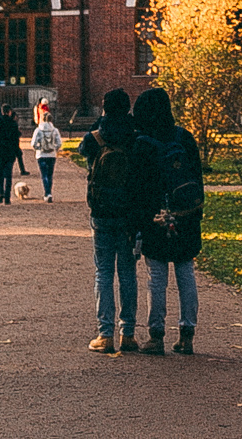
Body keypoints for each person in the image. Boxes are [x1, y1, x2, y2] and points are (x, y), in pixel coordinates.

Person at [78, 88, 158, 354]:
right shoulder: (136, 138)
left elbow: (82, 151)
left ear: (104, 107)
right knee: (127, 273)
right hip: (128, 214)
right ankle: (128, 333)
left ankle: (105, 334)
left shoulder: (96, 137)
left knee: (103, 272)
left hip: (101, 212)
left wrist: (99, 121)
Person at [133, 87, 205, 357]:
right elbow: (197, 178)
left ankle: (156, 334)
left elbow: (138, 188)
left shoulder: (143, 142)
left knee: (157, 278)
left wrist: (139, 222)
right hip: (185, 215)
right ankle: (187, 333)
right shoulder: (184, 137)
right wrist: (195, 211)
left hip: (155, 218)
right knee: (186, 274)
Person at [0, 105, 25, 203]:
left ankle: (1, 193)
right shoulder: (13, 123)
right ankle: (7, 197)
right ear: (9, 112)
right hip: (10, 151)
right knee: (8, 174)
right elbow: (16, 138)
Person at [30, 102, 62, 202]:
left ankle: (47, 193)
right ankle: (49, 192)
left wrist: (38, 149)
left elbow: (33, 143)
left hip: (41, 155)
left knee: (44, 175)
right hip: (52, 154)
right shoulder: (55, 130)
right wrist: (54, 148)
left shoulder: (38, 130)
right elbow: (59, 143)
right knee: (50, 174)